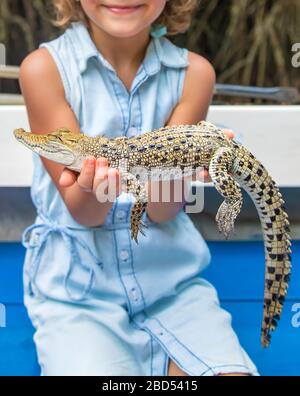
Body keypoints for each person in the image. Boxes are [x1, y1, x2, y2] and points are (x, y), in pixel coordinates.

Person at [19, 0, 258, 376]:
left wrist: (182, 171)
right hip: (81, 296)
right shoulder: (43, 69)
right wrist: (95, 187)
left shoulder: (194, 74)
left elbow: (161, 211)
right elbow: (84, 213)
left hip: (172, 288)